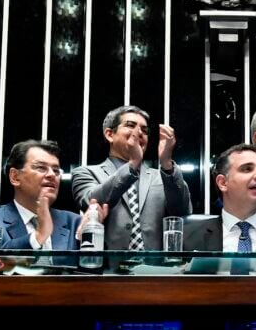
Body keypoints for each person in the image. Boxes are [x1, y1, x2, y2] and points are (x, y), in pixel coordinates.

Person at [72, 105, 192, 250]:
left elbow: (183, 212)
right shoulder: (85, 173)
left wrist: (166, 162)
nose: (139, 132)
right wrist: (133, 163)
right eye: (130, 125)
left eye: (144, 130)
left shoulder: (163, 176)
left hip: (155, 270)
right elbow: (92, 201)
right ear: (110, 134)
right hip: (108, 269)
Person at [0, 140, 106, 250]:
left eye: (56, 170)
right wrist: (37, 237)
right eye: (41, 168)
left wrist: (89, 239)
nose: (51, 175)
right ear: (15, 177)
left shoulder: (75, 223)